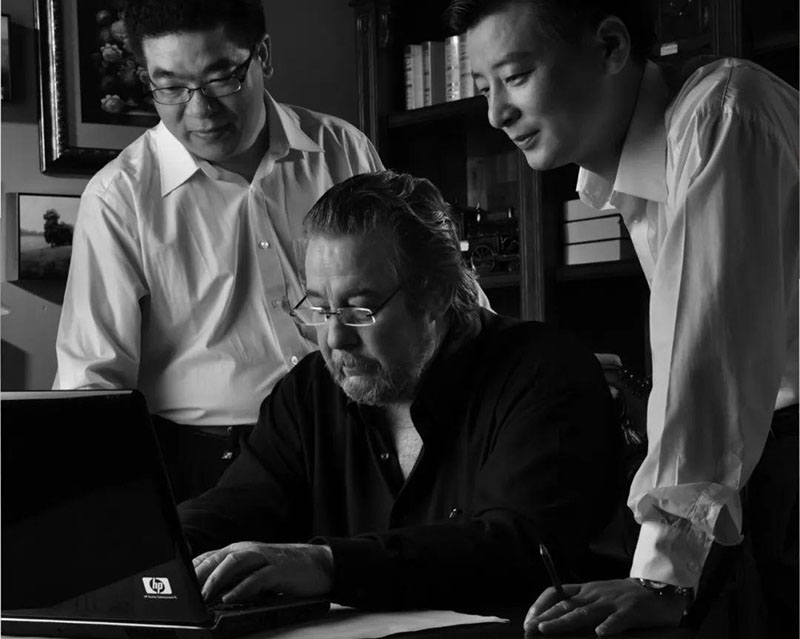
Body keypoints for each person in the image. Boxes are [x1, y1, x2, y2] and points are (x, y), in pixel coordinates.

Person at [448, 0, 798, 637]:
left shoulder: (720, 114)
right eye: (485, 88)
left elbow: (709, 360)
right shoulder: (630, 172)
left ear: (611, 46)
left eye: (515, 76)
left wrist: (660, 577)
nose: (495, 113)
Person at [179, 170, 622, 610]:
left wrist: (329, 565)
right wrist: (158, 549)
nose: (335, 339)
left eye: (359, 310)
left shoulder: (545, 373)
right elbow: (237, 506)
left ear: (436, 294)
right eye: (320, 310)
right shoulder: (308, 391)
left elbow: (517, 550)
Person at [53, 0, 384, 502]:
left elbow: (415, 286)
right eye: (170, 87)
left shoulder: (342, 149)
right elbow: (92, 385)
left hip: (361, 439)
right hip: (210, 466)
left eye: (220, 78)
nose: (200, 109)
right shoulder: (119, 197)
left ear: (264, 55)